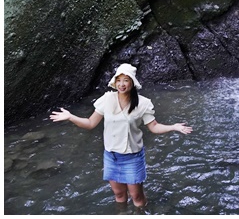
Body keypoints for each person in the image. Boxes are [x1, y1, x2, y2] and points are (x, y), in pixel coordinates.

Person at [50, 63, 192, 209]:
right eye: (119, 80)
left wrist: (173, 127)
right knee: (119, 195)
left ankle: (141, 212)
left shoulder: (143, 103)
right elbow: (90, 123)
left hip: (132, 156)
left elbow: (154, 127)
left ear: (132, 82)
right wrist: (70, 117)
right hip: (111, 156)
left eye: (126, 80)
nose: (122, 84)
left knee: (136, 196)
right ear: (115, 81)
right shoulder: (107, 99)